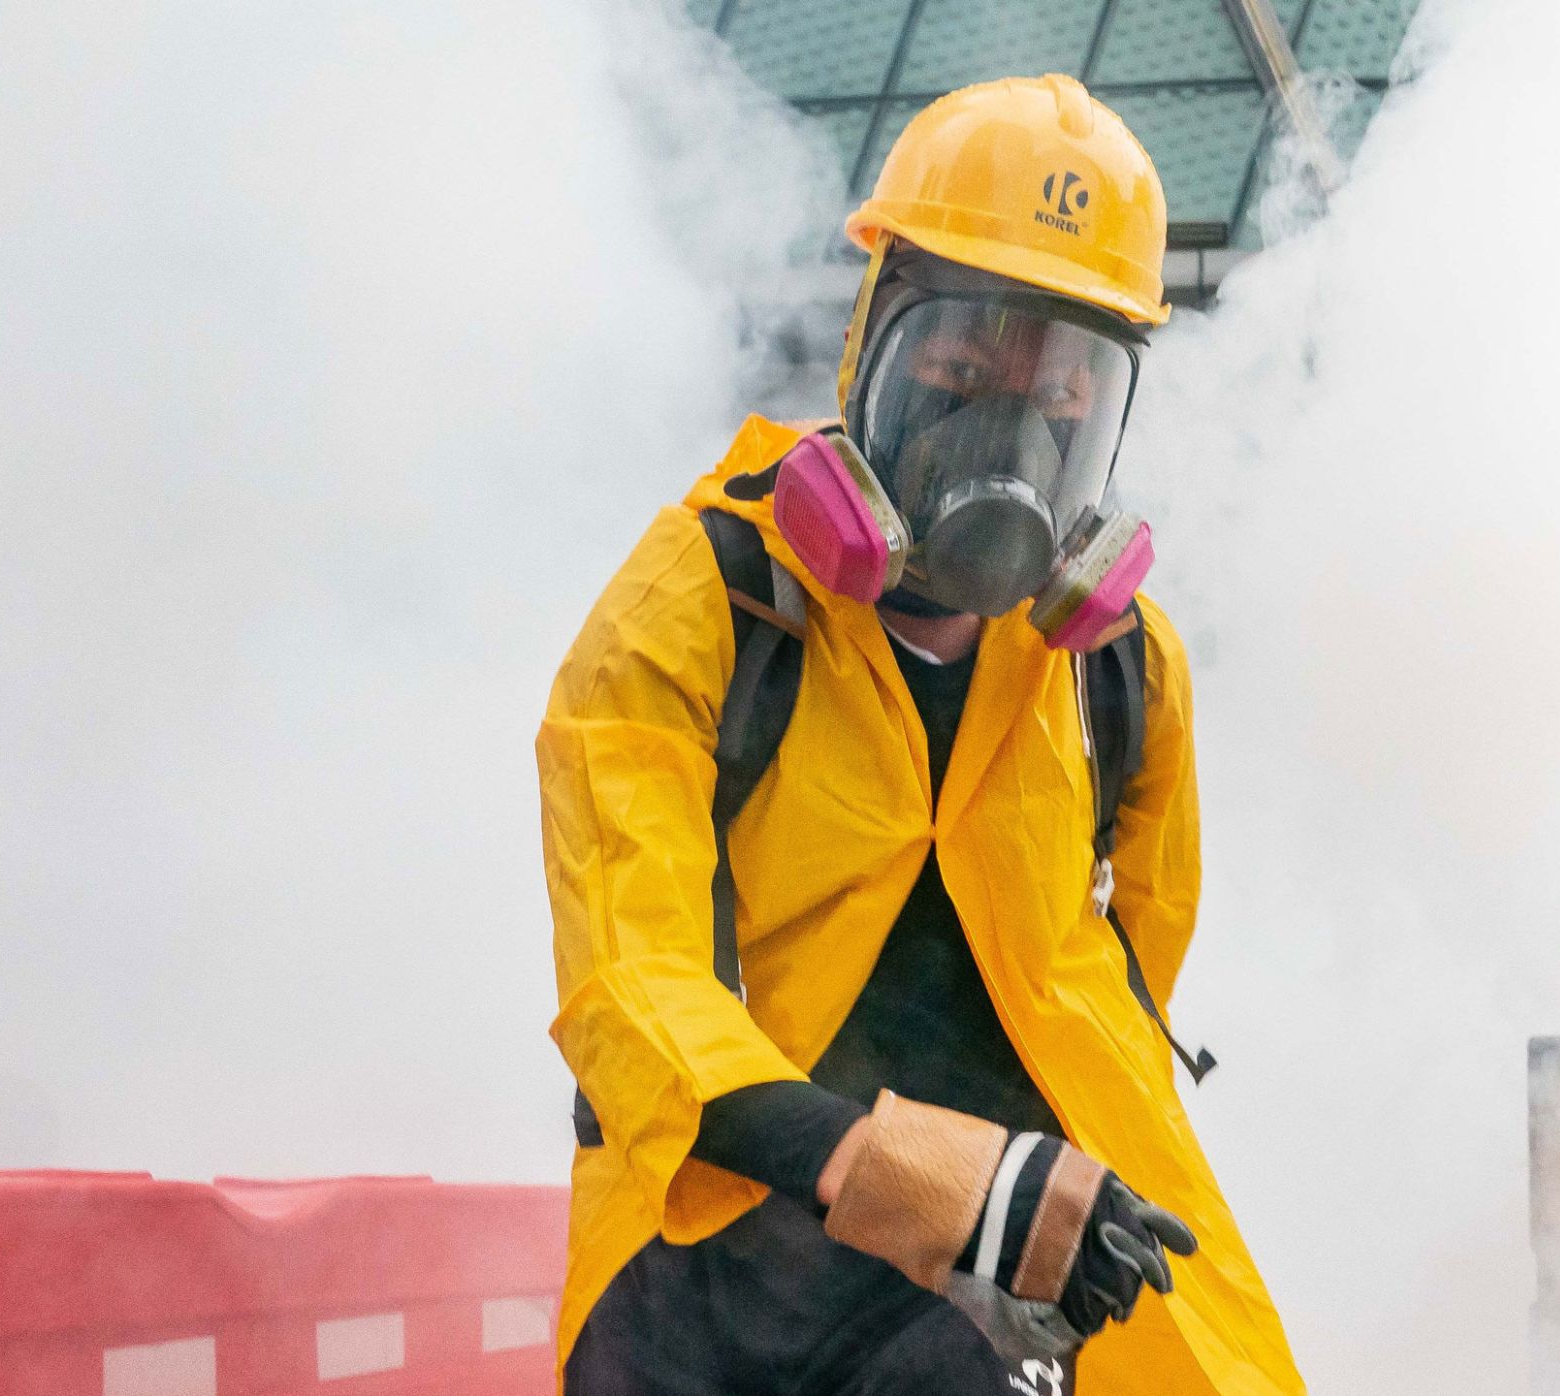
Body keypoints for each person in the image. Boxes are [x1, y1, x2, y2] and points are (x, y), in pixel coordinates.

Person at [539, 74, 1303, 1396]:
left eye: (1062, 391)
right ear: (870, 345)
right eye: (960, 367)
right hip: (702, 1279)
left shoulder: (1120, 667)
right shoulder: (704, 605)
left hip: (963, 1306)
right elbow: (631, 989)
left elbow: (1124, 979)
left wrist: (1023, 1206)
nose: (1004, 432)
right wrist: (928, 1177)